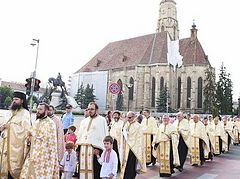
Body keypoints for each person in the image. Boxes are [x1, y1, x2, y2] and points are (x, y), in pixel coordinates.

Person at [20, 103, 59, 178]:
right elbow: (30, 135)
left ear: (46, 111)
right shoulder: (36, 122)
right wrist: (28, 139)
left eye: (40, 109)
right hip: (32, 154)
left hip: (43, 157)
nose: (38, 111)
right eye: (37, 109)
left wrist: (35, 139)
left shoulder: (51, 124)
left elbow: (50, 143)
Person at [0, 91, 31, 179]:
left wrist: (10, 127)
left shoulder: (25, 113)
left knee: (14, 167)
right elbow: (3, 123)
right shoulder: (9, 112)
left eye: (16, 99)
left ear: (22, 101)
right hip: (5, 143)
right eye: (13, 99)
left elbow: (27, 129)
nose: (14, 101)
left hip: (16, 146)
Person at [76, 102, 108, 179]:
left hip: (95, 150)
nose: (90, 111)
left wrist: (100, 149)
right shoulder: (84, 121)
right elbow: (80, 135)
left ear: (96, 110)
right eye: (88, 109)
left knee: (95, 171)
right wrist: (78, 149)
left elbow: (104, 135)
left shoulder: (101, 120)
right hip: (83, 150)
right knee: (82, 171)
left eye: (92, 109)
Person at [118, 111, 146, 179]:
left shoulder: (138, 126)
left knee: (131, 164)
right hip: (125, 148)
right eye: (127, 117)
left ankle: (130, 176)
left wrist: (128, 137)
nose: (128, 119)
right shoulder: (126, 124)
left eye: (130, 117)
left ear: (134, 117)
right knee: (124, 163)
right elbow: (121, 133)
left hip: (133, 149)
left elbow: (138, 139)